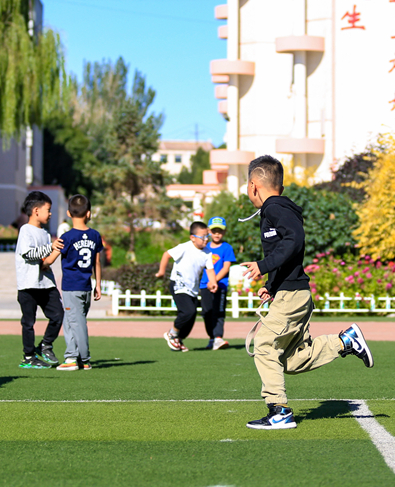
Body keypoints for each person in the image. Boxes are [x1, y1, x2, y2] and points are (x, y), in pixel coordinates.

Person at [239, 155, 373, 430]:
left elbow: (294, 240)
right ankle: (345, 342)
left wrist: (263, 266)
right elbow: (288, 251)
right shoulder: (278, 207)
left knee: (264, 346)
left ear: (253, 185)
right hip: (293, 293)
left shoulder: (274, 208)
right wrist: (272, 285)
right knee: (291, 358)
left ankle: (279, 411)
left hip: (293, 297)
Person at [15, 191, 65, 369]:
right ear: (36, 210)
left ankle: (45, 345)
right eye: (48, 210)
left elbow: (44, 259)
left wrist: (54, 252)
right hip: (28, 285)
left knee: (58, 315)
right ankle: (28, 357)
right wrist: (50, 247)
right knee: (28, 322)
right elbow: (28, 254)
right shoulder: (26, 230)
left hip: (46, 283)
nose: (50, 213)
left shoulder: (44, 233)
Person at [155, 221, 218, 352]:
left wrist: (213, 282)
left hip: (193, 288)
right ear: (192, 238)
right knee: (188, 311)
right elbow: (166, 255)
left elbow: (210, 270)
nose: (206, 239)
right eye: (203, 237)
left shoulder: (207, 253)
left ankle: (178, 339)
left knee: (191, 316)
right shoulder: (184, 247)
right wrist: (161, 272)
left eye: (207, 236)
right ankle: (172, 333)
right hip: (178, 284)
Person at [56, 194, 103, 371]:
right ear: (88, 213)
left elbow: (51, 258)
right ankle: (71, 356)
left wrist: (43, 263)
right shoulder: (95, 235)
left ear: (68, 213)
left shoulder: (67, 237)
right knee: (70, 321)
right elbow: (97, 262)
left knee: (76, 323)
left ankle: (83, 358)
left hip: (71, 286)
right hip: (86, 286)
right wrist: (98, 284)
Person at [200, 216, 236, 350]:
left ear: (224, 232)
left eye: (220, 231)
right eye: (214, 230)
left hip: (220, 285)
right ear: (209, 231)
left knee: (219, 312)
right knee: (206, 312)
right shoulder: (204, 247)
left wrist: (214, 281)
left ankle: (218, 337)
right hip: (205, 285)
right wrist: (209, 282)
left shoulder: (227, 248)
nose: (217, 234)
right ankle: (212, 338)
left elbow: (226, 267)